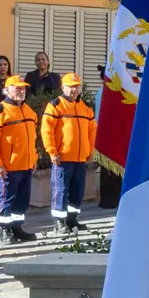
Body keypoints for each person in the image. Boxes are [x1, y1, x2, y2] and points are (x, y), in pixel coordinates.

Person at [0, 75, 40, 244]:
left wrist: (34, 158)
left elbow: (32, 138)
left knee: (22, 200)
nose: (21, 91)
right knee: (6, 199)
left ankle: (17, 228)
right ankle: (4, 230)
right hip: (8, 167)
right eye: (17, 88)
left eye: (23, 88)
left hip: (26, 164)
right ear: (7, 90)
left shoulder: (29, 111)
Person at [40, 74, 96, 234]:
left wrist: (90, 151)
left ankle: (72, 219)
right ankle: (59, 222)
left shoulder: (86, 107)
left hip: (80, 159)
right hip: (62, 158)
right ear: (63, 88)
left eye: (76, 86)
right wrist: (52, 151)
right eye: (71, 86)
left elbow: (92, 131)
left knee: (78, 191)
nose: (74, 90)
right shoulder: (56, 105)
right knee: (61, 190)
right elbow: (47, 130)